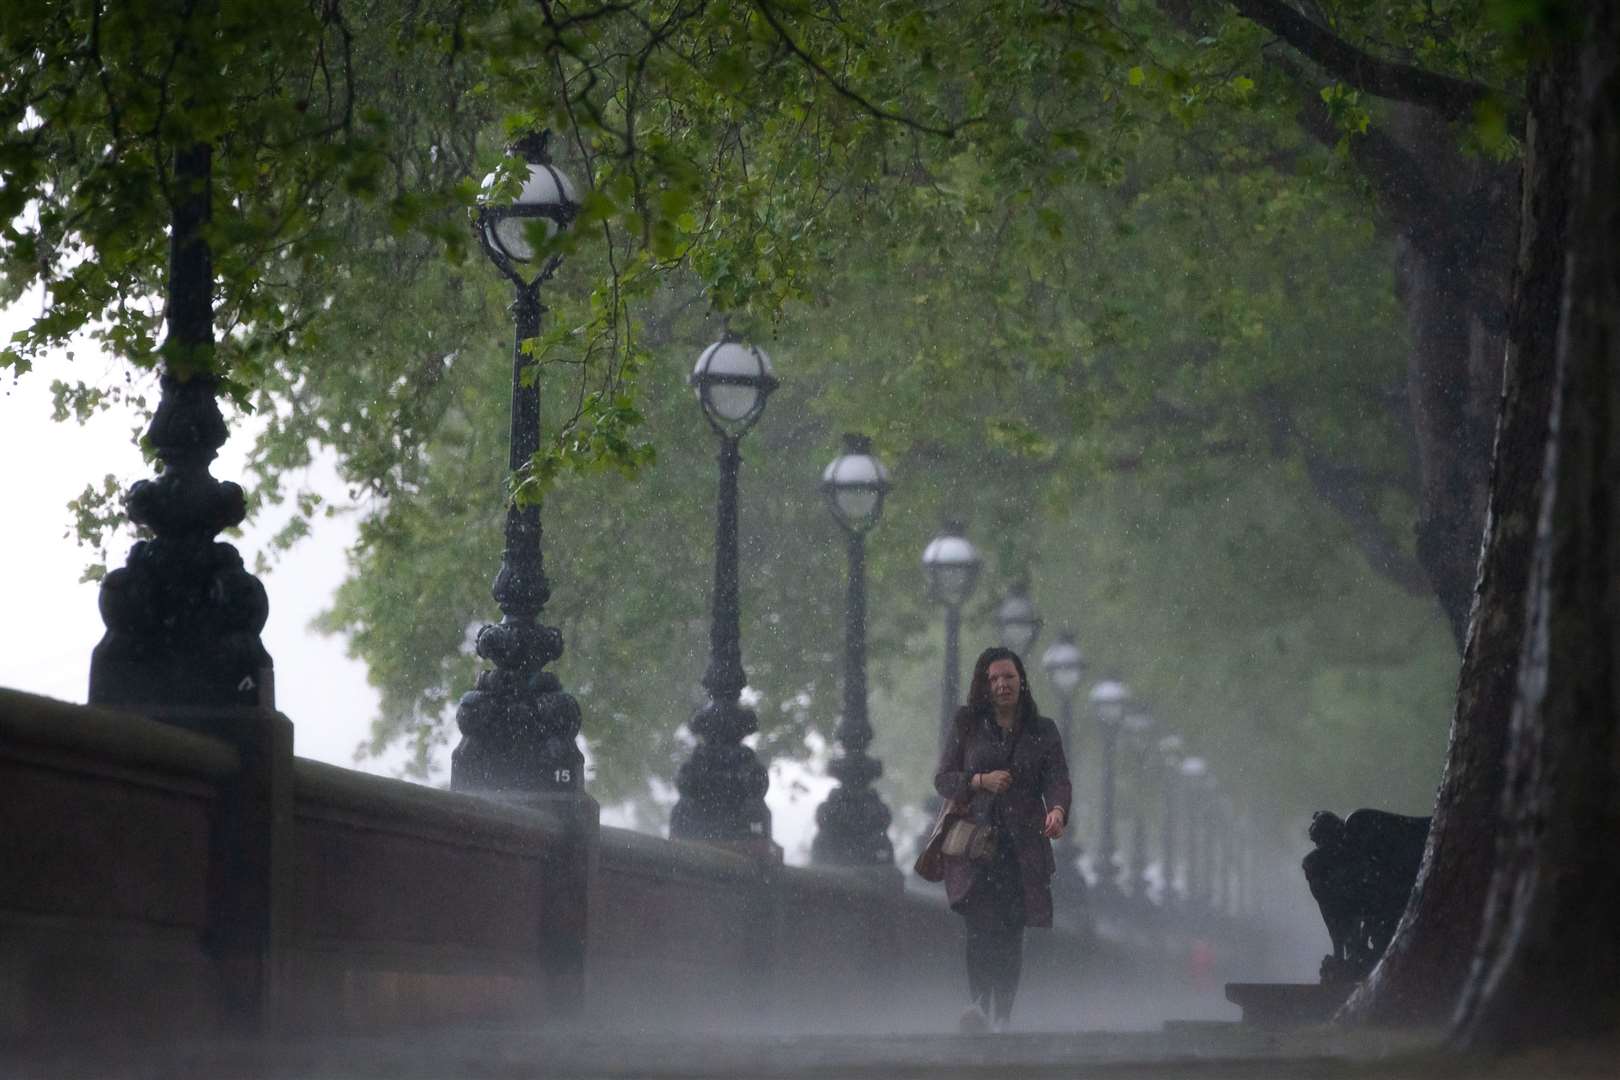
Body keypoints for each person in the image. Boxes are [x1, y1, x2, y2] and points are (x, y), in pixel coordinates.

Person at [933, 645, 1072, 1033]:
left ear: (1021, 680)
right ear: (985, 684)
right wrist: (979, 781)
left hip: (1022, 847)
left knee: (1011, 931)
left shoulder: (1042, 731)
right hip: (976, 846)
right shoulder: (967, 724)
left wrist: (1057, 811)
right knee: (978, 928)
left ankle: (1003, 1017)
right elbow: (943, 779)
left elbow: (1057, 778)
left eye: (1008, 676)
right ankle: (977, 1004)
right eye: (993, 678)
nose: (1001, 684)